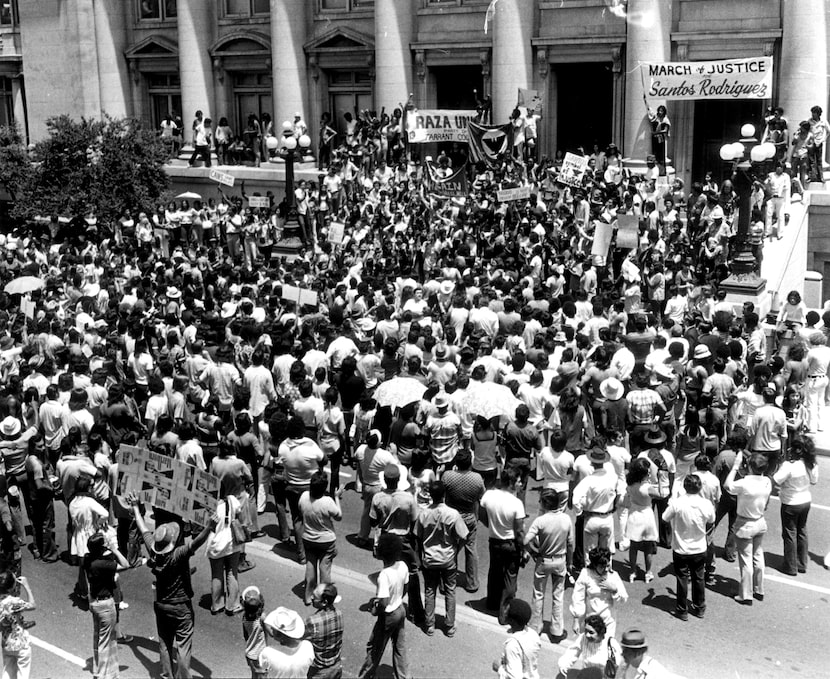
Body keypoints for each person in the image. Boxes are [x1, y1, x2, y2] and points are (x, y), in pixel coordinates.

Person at [127, 492, 217, 679]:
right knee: (183, 646)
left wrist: (136, 507)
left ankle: (167, 676)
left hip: (161, 604)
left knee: (164, 643)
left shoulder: (153, 551)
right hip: (180, 606)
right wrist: (209, 527)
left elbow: (143, 529)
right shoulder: (179, 554)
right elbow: (197, 543)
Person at [414, 479, 468, 637]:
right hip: (448, 559)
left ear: (430, 495)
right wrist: (456, 549)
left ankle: (429, 625)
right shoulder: (453, 514)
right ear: (444, 495)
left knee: (430, 590)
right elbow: (464, 536)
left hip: (429, 560)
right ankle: (450, 626)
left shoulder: (424, 514)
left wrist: (420, 556)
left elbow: (417, 537)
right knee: (450, 591)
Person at [662, 474, 715, 621]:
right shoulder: (706, 504)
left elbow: (665, 517)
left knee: (682, 578)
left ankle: (682, 609)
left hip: (681, 548)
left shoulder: (677, 503)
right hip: (699, 547)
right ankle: (699, 607)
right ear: (699, 487)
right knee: (699, 578)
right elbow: (711, 519)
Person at [523, 488, 573, 643]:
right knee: (558, 595)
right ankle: (556, 630)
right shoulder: (566, 519)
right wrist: (569, 563)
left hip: (544, 560)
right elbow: (570, 544)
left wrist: (533, 552)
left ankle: (535, 626)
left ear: (545, 503)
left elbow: (525, 541)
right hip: (560, 560)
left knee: (538, 594)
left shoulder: (541, 521)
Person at [357, 533, 409, 679]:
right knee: (400, 647)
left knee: (375, 648)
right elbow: (405, 588)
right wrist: (396, 598)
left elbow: (384, 602)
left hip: (389, 615)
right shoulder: (403, 566)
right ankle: (403, 676)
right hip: (400, 609)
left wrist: (375, 609)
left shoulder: (384, 575)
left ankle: (366, 675)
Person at [725, 451, 772, 605]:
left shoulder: (744, 483)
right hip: (760, 521)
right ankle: (759, 589)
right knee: (758, 556)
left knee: (746, 561)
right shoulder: (767, 481)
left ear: (750, 467)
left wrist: (735, 467)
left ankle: (746, 594)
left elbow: (727, 485)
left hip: (745, 523)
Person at [481, 468, 526, 625]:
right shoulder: (517, 504)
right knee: (510, 577)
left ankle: (492, 603)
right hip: (511, 544)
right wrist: (524, 549)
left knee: (494, 571)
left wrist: (492, 526)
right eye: (519, 481)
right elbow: (519, 531)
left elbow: (481, 515)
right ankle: (504, 612)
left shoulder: (489, 495)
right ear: (512, 483)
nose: (521, 484)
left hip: (494, 541)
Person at [84, 531, 130, 679]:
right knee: (106, 641)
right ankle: (103, 675)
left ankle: (101, 670)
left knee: (98, 637)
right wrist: (114, 549)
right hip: (105, 604)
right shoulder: (104, 564)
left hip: (94, 602)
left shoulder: (88, 559)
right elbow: (126, 564)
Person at [773, 436, 818, 576]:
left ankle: (790, 566)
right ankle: (801, 563)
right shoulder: (812, 464)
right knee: (802, 531)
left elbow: (776, 480)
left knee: (789, 533)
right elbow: (814, 481)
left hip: (790, 502)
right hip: (805, 500)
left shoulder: (789, 466)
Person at [442, 450, 485, 593]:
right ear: (470, 463)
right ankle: (471, 583)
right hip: (469, 517)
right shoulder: (477, 479)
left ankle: (447, 582)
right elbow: (481, 497)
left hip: (451, 518)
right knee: (471, 549)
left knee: (450, 548)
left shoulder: (447, 476)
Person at [299, 472, 342, 606]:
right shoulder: (327, 501)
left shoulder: (304, 497)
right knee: (325, 568)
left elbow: (300, 511)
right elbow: (338, 516)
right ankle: (324, 598)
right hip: (326, 541)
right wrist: (337, 497)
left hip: (308, 538)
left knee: (310, 566)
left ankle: (308, 596)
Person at [570, 546, 627, 638]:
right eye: (601, 567)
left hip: (608, 621)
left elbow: (623, 598)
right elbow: (578, 597)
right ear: (594, 565)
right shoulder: (586, 574)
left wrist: (614, 590)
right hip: (589, 621)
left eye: (607, 566)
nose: (605, 569)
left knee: (606, 648)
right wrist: (576, 620)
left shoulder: (613, 576)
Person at [623, 457, 665, 583]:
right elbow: (661, 495)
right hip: (646, 515)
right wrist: (660, 480)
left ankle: (632, 572)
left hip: (634, 515)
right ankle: (648, 573)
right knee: (648, 547)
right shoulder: (648, 488)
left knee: (633, 547)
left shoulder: (630, 484)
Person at [205, 491, 243, 615]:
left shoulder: (208, 504)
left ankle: (217, 605)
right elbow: (240, 516)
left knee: (216, 574)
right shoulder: (232, 499)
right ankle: (233, 605)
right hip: (232, 542)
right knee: (232, 573)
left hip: (215, 544)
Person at [556, 613, 621, 678]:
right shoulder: (583, 638)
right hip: (587, 675)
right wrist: (564, 665)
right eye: (586, 631)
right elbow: (573, 652)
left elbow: (620, 666)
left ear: (600, 633)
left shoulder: (611, 643)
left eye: (591, 632)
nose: (587, 635)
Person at [259, 607, 315, 678]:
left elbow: (262, 669)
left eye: (273, 629)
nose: (271, 629)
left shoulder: (268, 652)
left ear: (279, 635)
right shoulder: (307, 646)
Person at [491, 599, 540, 679]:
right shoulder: (533, 635)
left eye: (507, 612)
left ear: (512, 620)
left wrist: (499, 668)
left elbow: (514, 677)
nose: (504, 613)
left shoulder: (512, 646)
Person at [0, 571, 35, 679]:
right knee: (23, 673)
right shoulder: (14, 602)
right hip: (21, 644)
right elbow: (32, 605)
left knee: (8, 672)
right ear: (11, 588)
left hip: (7, 642)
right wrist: (26, 586)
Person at [305, 583, 344, 679]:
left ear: (324, 602)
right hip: (336, 667)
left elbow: (300, 637)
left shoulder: (313, 621)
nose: (311, 598)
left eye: (314, 597)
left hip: (320, 672)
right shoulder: (339, 614)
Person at [240, 586, 267, 679]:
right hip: (260, 655)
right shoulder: (262, 618)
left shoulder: (244, 618)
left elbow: (246, 636)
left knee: (254, 675)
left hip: (250, 654)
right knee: (263, 676)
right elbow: (269, 634)